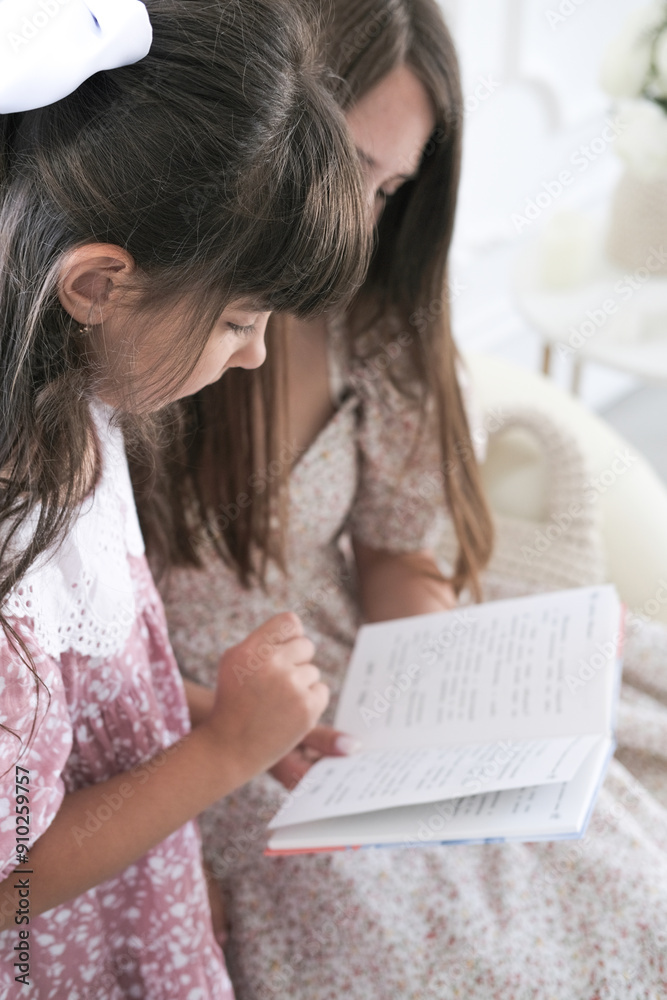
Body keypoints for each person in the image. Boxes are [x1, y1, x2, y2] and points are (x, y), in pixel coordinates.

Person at [147, 1, 667, 998]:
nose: (359, 221)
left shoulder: (369, 319)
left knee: (627, 895)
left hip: (342, 687)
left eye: (389, 189)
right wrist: (226, 739)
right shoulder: (144, 329)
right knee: (427, 951)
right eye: (345, 167)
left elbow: (394, 549)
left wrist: (446, 683)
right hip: (198, 728)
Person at [0, 0, 371, 995]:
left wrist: (213, 717)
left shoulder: (75, 400)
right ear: (96, 284)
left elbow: (77, 701)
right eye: (239, 321)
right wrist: (222, 751)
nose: (255, 357)